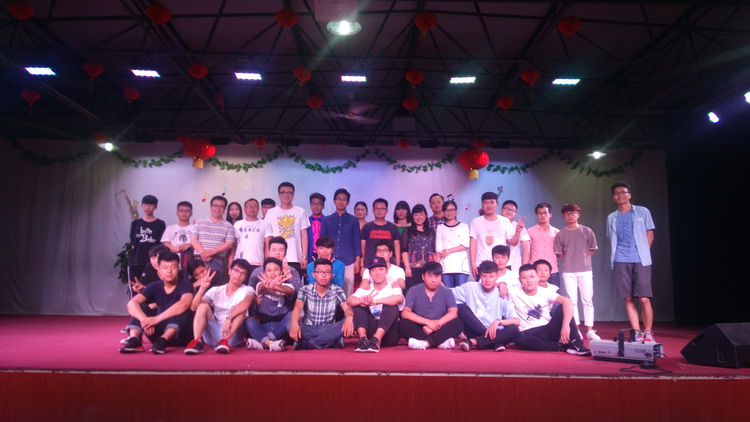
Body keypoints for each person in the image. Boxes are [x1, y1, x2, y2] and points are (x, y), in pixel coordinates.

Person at [607, 181, 656, 342]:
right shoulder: (611, 217)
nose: (620, 195)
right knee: (628, 298)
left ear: (630, 194)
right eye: (617, 193)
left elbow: (650, 234)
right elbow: (613, 239)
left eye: (623, 192)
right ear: (613, 198)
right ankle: (636, 332)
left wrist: (643, 253)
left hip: (641, 259)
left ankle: (648, 331)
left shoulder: (642, 211)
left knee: (644, 298)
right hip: (620, 260)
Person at [119, 252, 194, 354]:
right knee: (140, 307)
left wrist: (156, 319)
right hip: (157, 335)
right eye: (165, 267)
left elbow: (184, 304)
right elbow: (132, 303)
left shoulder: (186, 285)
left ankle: (163, 340)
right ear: (158, 269)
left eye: (173, 267)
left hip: (180, 335)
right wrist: (145, 320)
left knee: (183, 309)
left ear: (178, 268)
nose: (169, 271)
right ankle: (135, 340)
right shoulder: (155, 285)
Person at [511, 264, 591, 356]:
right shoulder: (514, 291)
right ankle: (559, 347)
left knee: (563, 307)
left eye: (532, 277)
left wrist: (565, 326)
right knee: (519, 338)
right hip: (528, 332)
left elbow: (567, 302)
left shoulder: (545, 292)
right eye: (524, 278)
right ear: (519, 280)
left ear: (538, 278)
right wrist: (501, 284)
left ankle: (576, 343)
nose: (529, 281)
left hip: (547, 329)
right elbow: (496, 285)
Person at [185, 259, 255, 355]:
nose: (238, 275)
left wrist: (229, 317)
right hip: (214, 332)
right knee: (202, 306)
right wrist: (202, 289)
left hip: (232, 336)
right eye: (236, 271)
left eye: (243, 273)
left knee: (242, 312)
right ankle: (197, 342)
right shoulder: (216, 290)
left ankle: (224, 341)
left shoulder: (247, 289)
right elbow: (194, 307)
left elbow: (246, 303)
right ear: (230, 271)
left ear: (245, 277)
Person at [554, 203, 600, 341]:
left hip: (585, 270)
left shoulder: (587, 231)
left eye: (573, 213)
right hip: (568, 271)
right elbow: (560, 254)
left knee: (587, 300)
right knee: (571, 301)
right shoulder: (561, 234)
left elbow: (591, 251)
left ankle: (590, 330)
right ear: (563, 216)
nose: (571, 216)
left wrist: (581, 259)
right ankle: (576, 330)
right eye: (567, 213)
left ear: (578, 215)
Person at [452, 261, 520, 352]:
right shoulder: (470, 287)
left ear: (497, 276)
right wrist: (438, 281)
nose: (487, 280)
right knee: (461, 308)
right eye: (484, 276)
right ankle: (495, 342)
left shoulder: (502, 293)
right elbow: (447, 293)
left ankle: (474, 342)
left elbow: (517, 321)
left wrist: (498, 322)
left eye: (491, 277)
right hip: (474, 330)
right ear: (480, 276)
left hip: (495, 331)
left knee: (514, 329)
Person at [290, 258, 355, 350]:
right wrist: (294, 323)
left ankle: (309, 343)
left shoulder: (337, 290)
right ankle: (330, 342)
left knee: (353, 320)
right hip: (309, 328)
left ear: (332, 275)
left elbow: (347, 309)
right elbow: (297, 308)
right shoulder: (305, 289)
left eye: (327, 272)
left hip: (329, 328)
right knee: (289, 322)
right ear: (314, 274)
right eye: (320, 272)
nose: (323, 275)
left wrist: (349, 318)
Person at [400, 261, 464, 350]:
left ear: (441, 277)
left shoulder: (447, 292)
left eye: (437, 276)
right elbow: (405, 313)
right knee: (403, 324)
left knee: (458, 323)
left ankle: (425, 343)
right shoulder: (413, 290)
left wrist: (436, 324)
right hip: (421, 327)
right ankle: (439, 342)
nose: (434, 280)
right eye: (430, 276)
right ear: (423, 277)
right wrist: (427, 323)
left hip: (440, 326)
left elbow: (453, 313)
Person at [348, 257, 404, 352]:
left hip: (389, 334)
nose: (377, 273)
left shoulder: (393, 286)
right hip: (370, 330)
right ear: (370, 274)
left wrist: (373, 301)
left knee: (391, 306)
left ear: (386, 271)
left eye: (381, 269)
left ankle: (376, 339)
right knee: (358, 306)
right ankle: (363, 339)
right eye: (373, 270)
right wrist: (362, 301)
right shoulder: (366, 288)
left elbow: (399, 298)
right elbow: (350, 300)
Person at [244, 257, 296, 352]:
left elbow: (289, 291)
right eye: (269, 270)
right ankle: (271, 343)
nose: (273, 273)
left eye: (276, 270)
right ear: (264, 273)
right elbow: (260, 288)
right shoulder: (260, 285)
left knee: (292, 314)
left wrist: (275, 286)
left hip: (280, 327)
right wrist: (269, 284)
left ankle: (264, 342)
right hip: (263, 326)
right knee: (248, 320)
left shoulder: (288, 286)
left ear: (281, 271)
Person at [320, 188, 361, 296]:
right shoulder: (327, 220)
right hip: (330, 261)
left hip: (348, 261)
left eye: (344, 199)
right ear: (334, 201)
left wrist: (357, 260)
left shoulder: (353, 220)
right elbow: (322, 242)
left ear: (348, 202)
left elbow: (356, 240)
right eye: (338, 198)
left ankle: (347, 308)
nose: (341, 201)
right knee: (329, 291)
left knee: (348, 291)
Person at [263, 182, 310, 277]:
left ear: (293, 194)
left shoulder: (301, 211)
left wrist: (304, 257)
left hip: (295, 258)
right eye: (283, 192)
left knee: (295, 284)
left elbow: (304, 235)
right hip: (276, 258)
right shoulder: (271, 212)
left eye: (289, 192)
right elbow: (268, 237)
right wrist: (268, 257)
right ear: (278, 194)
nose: (286, 195)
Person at [469, 192, 518, 280]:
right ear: (482, 205)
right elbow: (473, 244)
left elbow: (513, 243)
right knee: (482, 288)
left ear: (497, 204)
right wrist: (472, 264)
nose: (489, 205)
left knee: (504, 287)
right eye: (485, 203)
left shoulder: (504, 221)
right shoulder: (476, 222)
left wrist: (518, 232)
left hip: (502, 264)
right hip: (481, 263)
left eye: (492, 202)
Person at [191, 196, 235, 286]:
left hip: (216, 261)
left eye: (221, 206)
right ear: (211, 207)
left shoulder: (229, 226)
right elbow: (194, 239)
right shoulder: (199, 222)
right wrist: (203, 253)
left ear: (224, 209)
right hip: (197, 261)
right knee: (194, 288)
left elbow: (229, 244)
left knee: (215, 290)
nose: (218, 209)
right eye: (215, 205)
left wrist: (213, 252)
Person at [128, 194, 166, 292]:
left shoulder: (160, 224)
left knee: (152, 289)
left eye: (150, 205)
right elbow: (133, 243)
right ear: (142, 206)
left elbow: (160, 244)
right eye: (145, 205)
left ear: (155, 207)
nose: (147, 207)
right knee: (135, 288)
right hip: (136, 261)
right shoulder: (135, 223)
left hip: (152, 262)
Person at [229, 198, 271, 276]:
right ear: (244, 209)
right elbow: (233, 248)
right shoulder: (238, 224)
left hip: (258, 264)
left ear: (258, 209)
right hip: (239, 264)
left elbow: (268, 248)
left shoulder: (265, 224)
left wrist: (267, 266)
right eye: (249, 206)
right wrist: (230, 265)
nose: (252, 208)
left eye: (255, 206)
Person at [401, 204, 436, 293]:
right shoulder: (408, 231)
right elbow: (404, 251)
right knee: (413, 293)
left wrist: (435, 268)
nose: (419, 217)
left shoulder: (431, 231)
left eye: (421, 214)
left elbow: (434, 251)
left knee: (428, 293)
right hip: (412, 270)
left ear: (425, 215)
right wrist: (407, 268)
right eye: (416, 215)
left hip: (429, 269)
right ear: (412, 217)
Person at [435, 200, 470, 287]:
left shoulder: (463, 226)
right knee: (448, 292)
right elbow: (438, 249)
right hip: (445, 267)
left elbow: (465, 244)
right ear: (443, 212)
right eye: (446, 210)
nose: (449, 212)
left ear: (456, 211)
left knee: (461, 293)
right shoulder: (440, 227)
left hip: (461, 267)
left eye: (452, 210)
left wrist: (448, 251)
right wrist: (437, 269)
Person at [526, 203, 561, 287]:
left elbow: (560, 252)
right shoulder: (530, 231)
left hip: (552, 270)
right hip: (535, 270)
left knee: (554, 294)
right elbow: (527, 251)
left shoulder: (557, 232)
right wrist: (526, 267)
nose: (542, 215)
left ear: (550, 214)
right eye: (540, 213)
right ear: (537, 215)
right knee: (534, 294)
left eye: (545, 213)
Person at [360, 198, 401, 270]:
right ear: (373, 210)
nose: (379, 211)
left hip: (389, 265)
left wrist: (397, 263)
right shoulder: (367, 226)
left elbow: (397, 246)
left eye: (382, 208)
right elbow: (362, 246)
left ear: (386, 211)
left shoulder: (393, 227)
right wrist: (362, 265)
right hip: (370, 265)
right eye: (377, 208)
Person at [161, 201, 195, 269]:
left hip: (191, 262)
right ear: (177, 213)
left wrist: (190, 245)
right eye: (181, 210)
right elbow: (166, 245)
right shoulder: (170, 228)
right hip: (173, 263)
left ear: (191, 213)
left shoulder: (195, 228)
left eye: (187, 211)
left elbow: (200, 245)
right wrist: (179, 249)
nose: (184, 213)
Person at [501, 200, 530, 271]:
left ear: (515, 213)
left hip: (515, 264)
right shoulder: (495, 224)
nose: (509, 212)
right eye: (507, 209)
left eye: (512, 210)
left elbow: (526, 248)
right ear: (501, 210)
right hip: (497, 263)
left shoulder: (519, 226)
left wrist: (524, 267)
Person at [307, 193, 326, 262]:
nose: (316, 206)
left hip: (325, 255)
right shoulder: (306, 221)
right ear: (310, 205)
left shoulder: (327, 221)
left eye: (319, 204)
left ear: (323, 206)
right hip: (309, 255)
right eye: (313, 203)